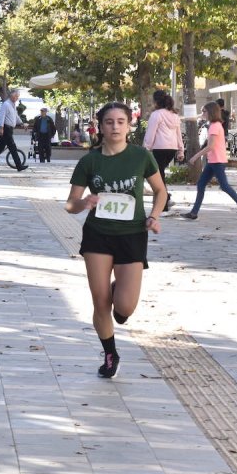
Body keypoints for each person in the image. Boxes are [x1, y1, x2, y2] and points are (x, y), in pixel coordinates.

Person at [65, 102, 167, 379]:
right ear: (101, 126)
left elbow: (161, 191)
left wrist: (154, 217)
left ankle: (117, 288)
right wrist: (84, 202)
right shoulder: (90, 161)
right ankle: (110, 354)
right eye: (109, 122)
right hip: (98, 235)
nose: (115, 127)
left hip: (132, 235)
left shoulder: (141, 157)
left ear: (128, 125)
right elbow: (70, 205)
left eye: (121, 121)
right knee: (100, 303)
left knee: (124, 308)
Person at [181, 101, 237, 223]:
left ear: (211, 112)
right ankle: (193, 213)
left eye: (204, 111)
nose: (202, 113)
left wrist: (195, 157)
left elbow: (210, 146)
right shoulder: (215, 124)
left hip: (217, 161)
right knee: (201, 184)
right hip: (213, 161)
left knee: (224, 186)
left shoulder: (214, 126)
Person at [144, 94, 184, 211]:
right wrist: (181, 150)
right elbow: (178, 134)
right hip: (172, 149)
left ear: (156, 102)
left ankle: (164, 202)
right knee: (160, 174)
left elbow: (151, 133)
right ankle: (165, 200)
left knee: (158, 176)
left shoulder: (156, 115)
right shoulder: (175, 116)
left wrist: (145, 148)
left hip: (159, 148)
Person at [0, 90, 27, 172]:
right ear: (12, 96)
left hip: (10, 129)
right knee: (13, 148)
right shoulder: (6, 104)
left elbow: (15, 116)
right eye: (16, 96)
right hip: (6, 129)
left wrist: (22, 123)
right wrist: (1, 128)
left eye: (18, 97)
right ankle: (19, 166)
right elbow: (2, 117)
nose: (17, 98)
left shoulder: (12, 105)